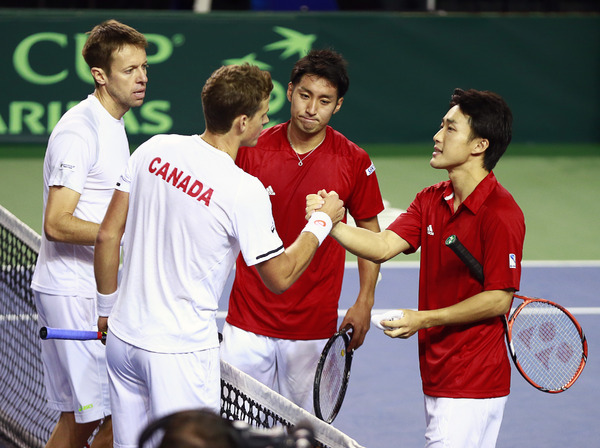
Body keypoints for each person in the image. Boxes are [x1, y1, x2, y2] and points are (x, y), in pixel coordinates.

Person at [93, 63, 344, 447]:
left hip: (123, 341)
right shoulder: (243, 189)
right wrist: (322, 223)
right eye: (263, 114)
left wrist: (106, 309)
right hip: (178, 353)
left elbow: (108, 235)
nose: (267, 121)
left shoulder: (153, 148)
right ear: (241, 122)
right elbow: (281, 276)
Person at [309, 88, 525, 447]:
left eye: (451, 129)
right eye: (442, 126)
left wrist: (422, 319)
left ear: (479, 145)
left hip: (472, 380)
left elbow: (499, 300)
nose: (437, 136)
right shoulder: (431, 199)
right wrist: (329, 222)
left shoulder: (501, 214)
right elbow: (380, 247)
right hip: (439, 372)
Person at [220, 49, 384, 412]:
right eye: (305, 95)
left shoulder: (354, 160)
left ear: (338, 106)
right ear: (290, 91)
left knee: (305, 435)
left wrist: (365, 300)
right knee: (231, 432)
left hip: (312, 329)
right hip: (247, 323)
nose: (312, 108)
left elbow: (371, 236)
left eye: (324, 101)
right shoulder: (251, 148)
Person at [31, 19, 148, 448]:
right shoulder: (79, 132)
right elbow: (56, 222)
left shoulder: (112, 123)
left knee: (83, 420)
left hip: (84, 290)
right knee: (116, 414)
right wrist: (118, 235)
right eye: (129, 70)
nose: (142, 78)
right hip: (74, 296)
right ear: (100, 75)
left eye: (144, 67)